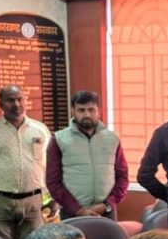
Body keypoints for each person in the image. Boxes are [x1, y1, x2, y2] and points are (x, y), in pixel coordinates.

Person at [0, 84, 51, 239]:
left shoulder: (40, 130)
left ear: (25, 101)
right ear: (0, 105)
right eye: (10, 100)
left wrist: (51, 197)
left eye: (20, 99)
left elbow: (48, 166)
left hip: (33, 203)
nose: (16, 104)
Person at [46, 90, 129, 220]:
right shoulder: (59, 140)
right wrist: (78, 210)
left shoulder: (112, 139)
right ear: (73, 111)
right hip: (72, 213)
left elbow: (122, 177)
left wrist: (107, 204)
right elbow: (53, 182)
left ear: (99, 111)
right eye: (81, 110)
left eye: (91, 110)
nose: (87, 114)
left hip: (106, 212)